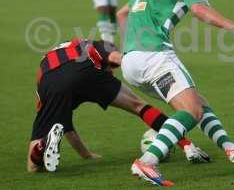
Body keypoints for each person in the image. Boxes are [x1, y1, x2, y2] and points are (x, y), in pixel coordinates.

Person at [117, 0, 234, 187]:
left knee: (198, 102)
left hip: (130, 63)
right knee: (192, 111)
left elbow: (122, 13)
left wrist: (130, 48)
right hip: (155, 56)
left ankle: (232, 149)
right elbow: (200, 10)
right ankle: (146, 161)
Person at [27, 38, 210, 173]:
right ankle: (186, 145)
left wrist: (86, 155)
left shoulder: (58, 53)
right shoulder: (98, 44)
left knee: (33, 167)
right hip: (87, 69)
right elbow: (119, 58)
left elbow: (66, 128)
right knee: (139, 106)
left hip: (49, 81)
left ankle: (42, 146)